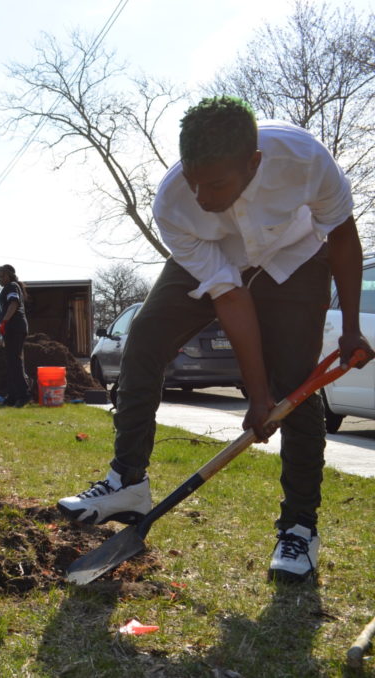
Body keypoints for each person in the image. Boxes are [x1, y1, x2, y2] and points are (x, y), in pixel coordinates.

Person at [57, 96, 374, 582]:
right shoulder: (174, 203)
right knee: (143, 341)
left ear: (254, 163)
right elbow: (229, 297)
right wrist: (255, 393)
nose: (202, 196)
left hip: (293, 259)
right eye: (193, 179)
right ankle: (128, 482)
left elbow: (343, 237)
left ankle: (299, 529)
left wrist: (350, 325)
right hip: (213, 256)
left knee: (296, 384)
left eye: (217, 184)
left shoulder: (304, 158)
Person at [0, 264, 31, 406]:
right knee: (11, 362)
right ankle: (12, 395)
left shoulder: (11, 286)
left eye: (2, 276)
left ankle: (24, 395)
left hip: (15, 328)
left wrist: (4, 321)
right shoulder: (8, 287)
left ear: (9, 275)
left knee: (15, 362)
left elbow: (14, 303)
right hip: (11, 329)